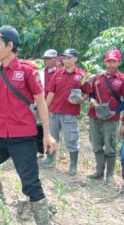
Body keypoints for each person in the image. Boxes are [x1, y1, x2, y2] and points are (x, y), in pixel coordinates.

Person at [0, 25, 57, 225]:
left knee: (31, 185)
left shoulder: (27, 70)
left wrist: (47, 135)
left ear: (10, 45)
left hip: (23, 137)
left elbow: (40, 102)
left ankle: (43, 221)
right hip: (0, 137)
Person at [43, 48, 89, 176]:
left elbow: (86, 92)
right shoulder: (57, 74)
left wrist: (82, 99)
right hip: (54, 111)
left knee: (71, 138)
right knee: (52, 137)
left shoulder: (82, 75)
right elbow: (51, 92)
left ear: (75, 59)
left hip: (70, 112)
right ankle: (50, 158)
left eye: (69, 58)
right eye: (64, 57)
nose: (66, 60)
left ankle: (73, 164)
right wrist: (45, 109)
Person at [87, 49, 123, 184]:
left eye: (114, 61)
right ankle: (99, 171)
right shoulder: (97, 78)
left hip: (111, 118)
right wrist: (91, 100)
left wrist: (116, 111)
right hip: (94, 115)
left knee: (110, 145)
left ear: (119, 62)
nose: (111, 64)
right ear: (104, 61)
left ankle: (110, 174)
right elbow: (91, 93)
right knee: (96, 144)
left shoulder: (122, 79)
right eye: (109, 61)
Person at [36, 49, 58, 158]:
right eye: (45, 58)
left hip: (54, 105)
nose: (46, 61)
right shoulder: (41, 71)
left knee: (52, 128)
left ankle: (51, 153)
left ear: (55, 59)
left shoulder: (59, 72)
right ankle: (40, 150)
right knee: (39, 126)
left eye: (49, 58)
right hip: (40, 102)